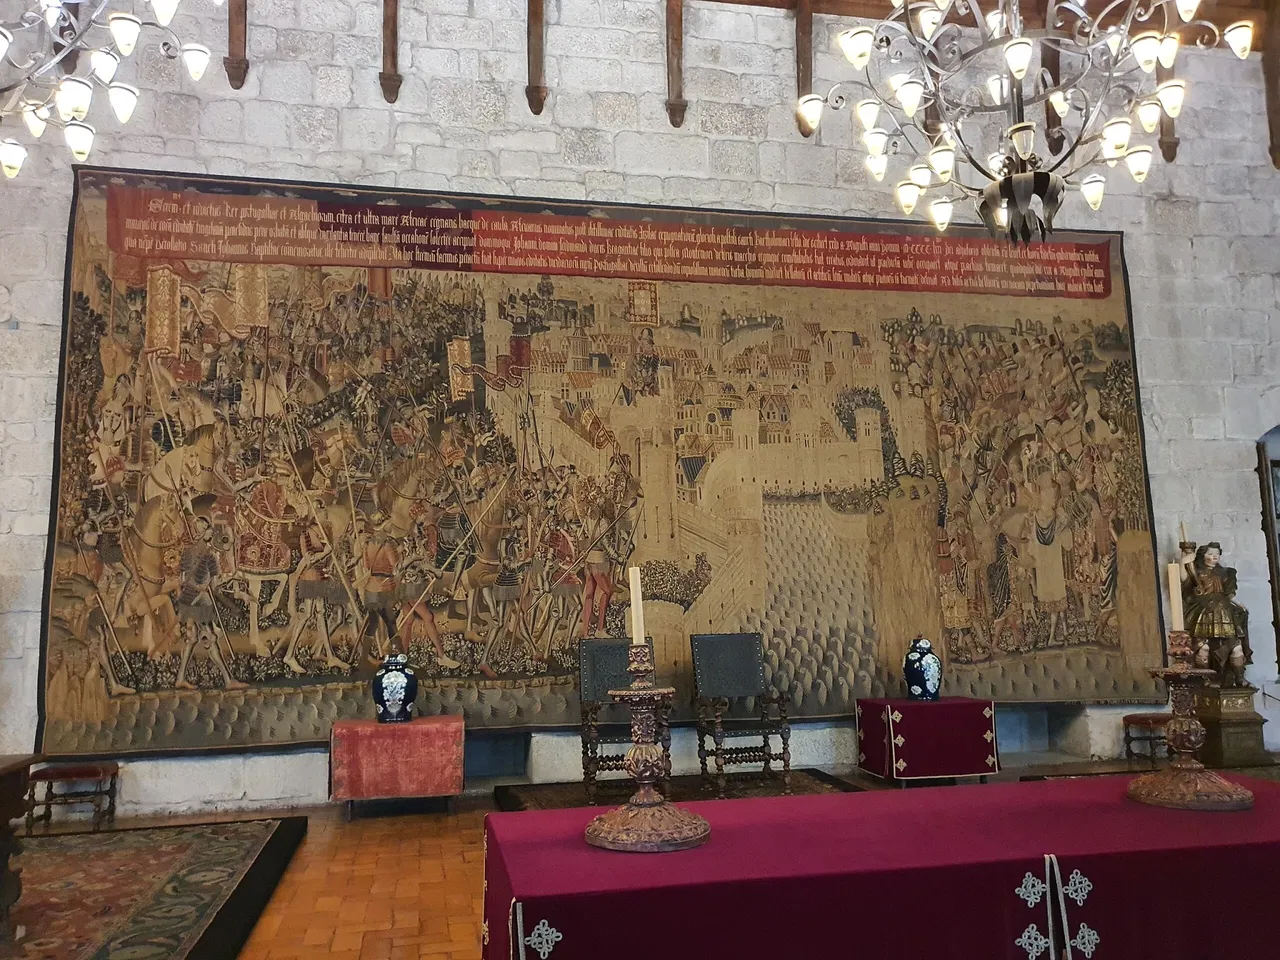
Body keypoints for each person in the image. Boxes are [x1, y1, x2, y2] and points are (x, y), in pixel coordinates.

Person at [1181, 541, 1252, 687]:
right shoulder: (1196, 572)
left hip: (1225, 613)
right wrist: (1187, 553)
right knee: (1203, 648)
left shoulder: (1226, 572)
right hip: (1205, 613)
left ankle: (1239, 678)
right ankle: (1205, 679)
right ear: (1203, 555)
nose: (1214, 557)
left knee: (1236, 647)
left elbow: (1229, 594)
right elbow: (1183, 576)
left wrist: (1239, 605)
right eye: (1210, 554)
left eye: (1217, 554)